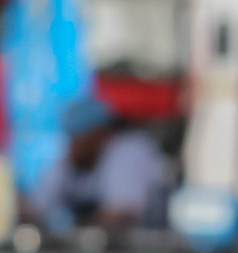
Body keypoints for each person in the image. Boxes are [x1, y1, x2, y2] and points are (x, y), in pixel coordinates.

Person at [27, 95, 166, 240]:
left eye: (81, 136)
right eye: (72, 136)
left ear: (100, 133)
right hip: (98, 251)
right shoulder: (71, 161)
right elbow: (36, 207)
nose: (74, 145)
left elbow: (120, 218)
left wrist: (71, 237)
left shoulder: (130, 150)